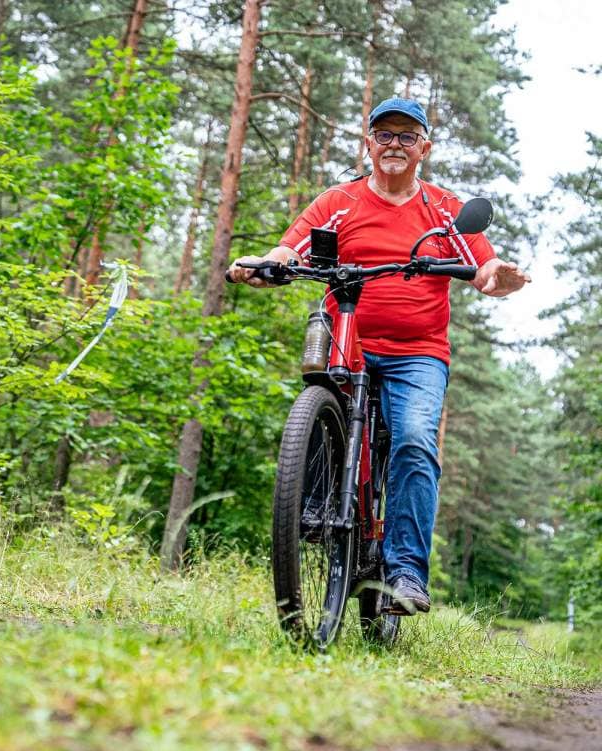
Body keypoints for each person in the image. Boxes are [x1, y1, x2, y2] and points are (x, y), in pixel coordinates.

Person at [227, 97, 530, 615]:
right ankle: (319, 501)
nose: (394, 144)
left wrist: (497, 275)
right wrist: (264, 263)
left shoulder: (445, 210)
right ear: (368, 143)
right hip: (348, 337)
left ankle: (406, 572)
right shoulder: (337, 202)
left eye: (406, 136)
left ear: (424, 148)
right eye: (384, 135)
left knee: (414, 439)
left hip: (418, 353)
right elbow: (291, 248)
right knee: (319, 405)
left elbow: (486, 264)